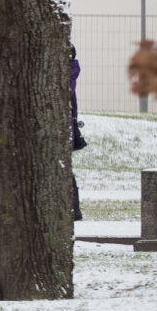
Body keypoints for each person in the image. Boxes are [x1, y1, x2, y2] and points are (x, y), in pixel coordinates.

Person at [71, 45, 85, 222]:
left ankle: (74, 209)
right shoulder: (70, 72)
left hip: (65, 127)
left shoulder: (68, 73)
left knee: (64, 170)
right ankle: (74, 209)